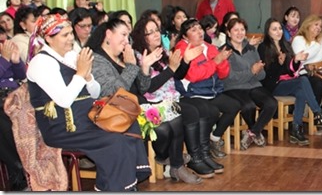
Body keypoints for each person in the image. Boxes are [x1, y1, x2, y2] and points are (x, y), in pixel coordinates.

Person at [27, 14, 150, 191]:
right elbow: (64, 100)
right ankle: (116, 187)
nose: (71, 38)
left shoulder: (71, 56)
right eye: (65, 35)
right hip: (62, 126)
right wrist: (80, 73)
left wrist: (88, 76)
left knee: (130, 127)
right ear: (48, 38)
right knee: (115, 141)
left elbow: (94, 92)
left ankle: (116, 185)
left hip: (85, 117)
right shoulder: (41, 62)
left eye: (71, 33)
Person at [130, 18, 203, 183]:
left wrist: (185, 61)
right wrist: (171, 69)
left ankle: (179, 164)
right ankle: (169, 159)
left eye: (157, 30)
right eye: (151, 32)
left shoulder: (161, 52)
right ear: (142, 36)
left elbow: (177, 75)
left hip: (168, 99)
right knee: (175, 121)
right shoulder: (137, 57)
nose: (156, 34)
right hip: (149, 102)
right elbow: (148, 88)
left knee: (186, 115)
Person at [257, 18, 322, 145]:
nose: (278, 32)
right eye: (274, 29)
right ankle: (318, 114)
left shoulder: (286, 45)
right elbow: (267, 74)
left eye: (279, 28)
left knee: (301, 91)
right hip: (272, 85)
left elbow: (291, 71)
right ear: (268, 32)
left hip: (287, 82)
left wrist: (296, 61)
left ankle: (296, 130)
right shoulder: (264, 47)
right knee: (303, 80)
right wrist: (278, 63)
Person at [173, 18, 239, 169]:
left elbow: (223, 75)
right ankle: (201, 153)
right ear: (184, 36)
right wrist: (215, 62)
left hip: (212, 91)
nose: (199, 32)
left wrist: (221, 61)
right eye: (193, 30)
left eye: (199, 29)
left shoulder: (209, 47)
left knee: (234, 106)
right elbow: (193, 75)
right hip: (193, 93)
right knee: (212, 112)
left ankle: (212, 140)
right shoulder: (183, 49)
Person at [222, 18, 277, 150]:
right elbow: (230, 78)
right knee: (248, 106)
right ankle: (255, 132)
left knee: (271, 103)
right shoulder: (225, 51)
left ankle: (253, 132)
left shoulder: (251, 49)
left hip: (254, 86)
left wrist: (255, 72)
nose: (240, 33)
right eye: (236, 30)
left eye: (242, 30)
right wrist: (251, 72)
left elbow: (262, 74)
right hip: (234, 88)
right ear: (229, 33)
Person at [0, 40, 27, 191]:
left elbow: (21, 75)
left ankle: (23, 168)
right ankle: (17, 169)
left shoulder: (6, 56)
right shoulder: (3, 58)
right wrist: (4, 59)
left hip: (16, 97)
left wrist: (16, 61)